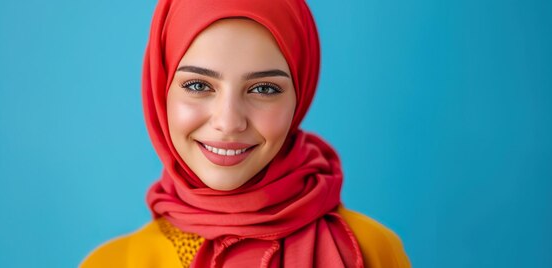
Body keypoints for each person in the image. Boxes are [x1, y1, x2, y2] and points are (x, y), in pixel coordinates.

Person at [81, 0, 410, 267]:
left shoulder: (371, 251)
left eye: (264, 89)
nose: (229, 122)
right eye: (198, 85)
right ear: (160, 89)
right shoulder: (112, 262)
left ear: (301, 93)